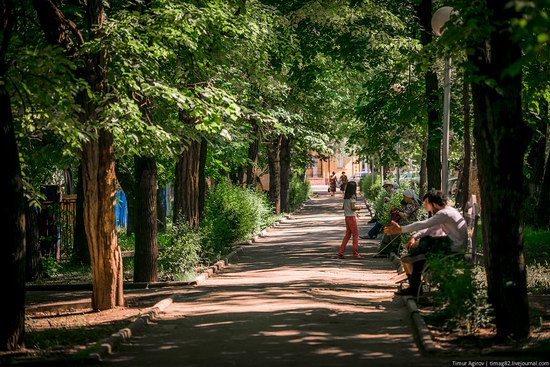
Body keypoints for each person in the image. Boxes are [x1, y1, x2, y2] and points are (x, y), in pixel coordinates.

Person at [383, 189, 468, 296]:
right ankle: (414, 287)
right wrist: (414, 236)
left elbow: (424, 224)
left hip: (454, 249)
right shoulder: (448, 212)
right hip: (453, 246)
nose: (424, 205)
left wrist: (401, 229)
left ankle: (414, 288)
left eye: (427, 203)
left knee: (422, 247)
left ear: (435, 204)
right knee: (418, 254)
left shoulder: (444, 213)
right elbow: (431, 228)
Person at [375, 189, 422, 256]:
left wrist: (398, 212)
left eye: (404, 196)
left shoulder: (411, 204)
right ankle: (385, 250)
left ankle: (385, 250)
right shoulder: (411, 204)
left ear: (408, 197)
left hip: (408, 223)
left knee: (390, 230)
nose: (403, 198)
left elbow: (405, 216)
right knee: (389, 229)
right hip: (406, 223)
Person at [337, 181, 362, 259]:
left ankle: (341, 251)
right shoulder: (353, 196)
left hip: (347, 217)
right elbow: (352, 207)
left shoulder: (346, 197)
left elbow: (344, 207)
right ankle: (355, 253)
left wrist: (354, 212)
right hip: (351, 218)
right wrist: (359, 208)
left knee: (347, 235)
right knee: (355, 235)